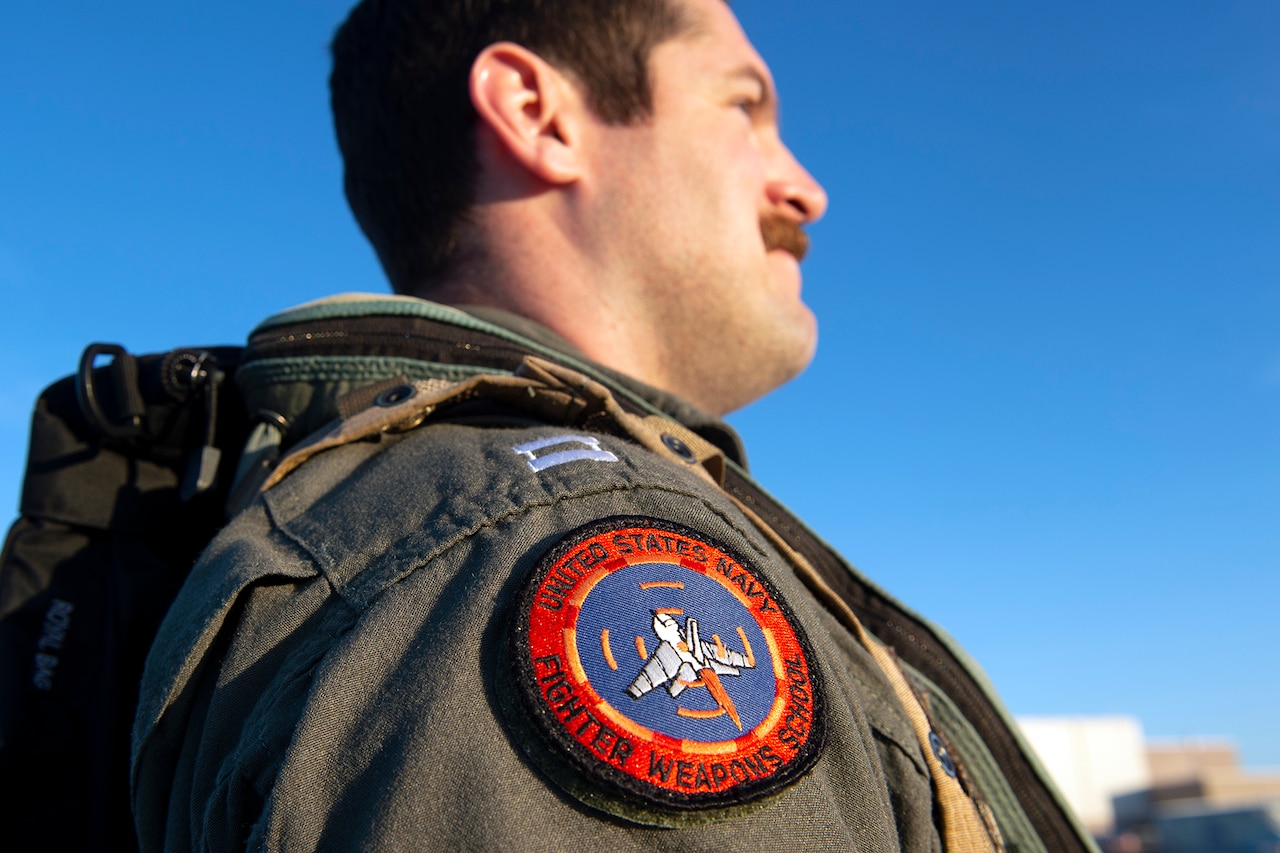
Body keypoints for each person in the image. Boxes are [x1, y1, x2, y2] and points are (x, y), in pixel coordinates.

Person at [130, 0, 1093, 850]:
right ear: (537, 114)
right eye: (743, 109)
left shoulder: (434, 519)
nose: (805, 188)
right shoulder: (551, 533)